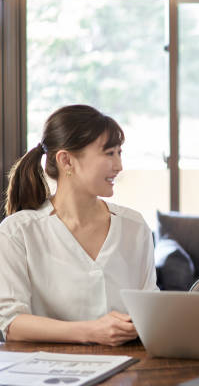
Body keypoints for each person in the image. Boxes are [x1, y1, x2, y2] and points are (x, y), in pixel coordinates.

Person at [0, 105, 157, 346]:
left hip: (128, 366)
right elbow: (12, 324)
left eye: (119, 153)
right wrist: (91, 331)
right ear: (66, 160)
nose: (119, 166)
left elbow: (151, 309)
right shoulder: (17, 232)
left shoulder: (134, 226)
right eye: (109, 154)